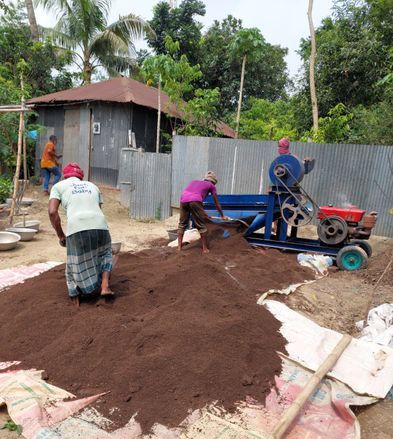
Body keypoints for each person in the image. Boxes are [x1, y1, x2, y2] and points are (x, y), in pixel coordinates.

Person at [48, 163, 115, 307]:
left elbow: (52, 212)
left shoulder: (58, 187)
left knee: (73, 263)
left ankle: (75, 296)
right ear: (81, 176)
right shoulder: (92, 186)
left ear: (65, 176)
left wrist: (60, 235)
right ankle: (104, 286)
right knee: (105, 254)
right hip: (100, 225)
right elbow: (98, 208)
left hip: (76, 227)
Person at [178, 171, 226, 254]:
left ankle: (179, 248)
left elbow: (195, 201)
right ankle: (205, 248)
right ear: (213, 182)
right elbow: (217, 203)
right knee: (201, 224)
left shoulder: (194, 182)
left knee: (182, 223)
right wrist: (222, 216)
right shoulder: (211, 186)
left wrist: (205, 214)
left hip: (183, 199)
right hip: (195, 200)